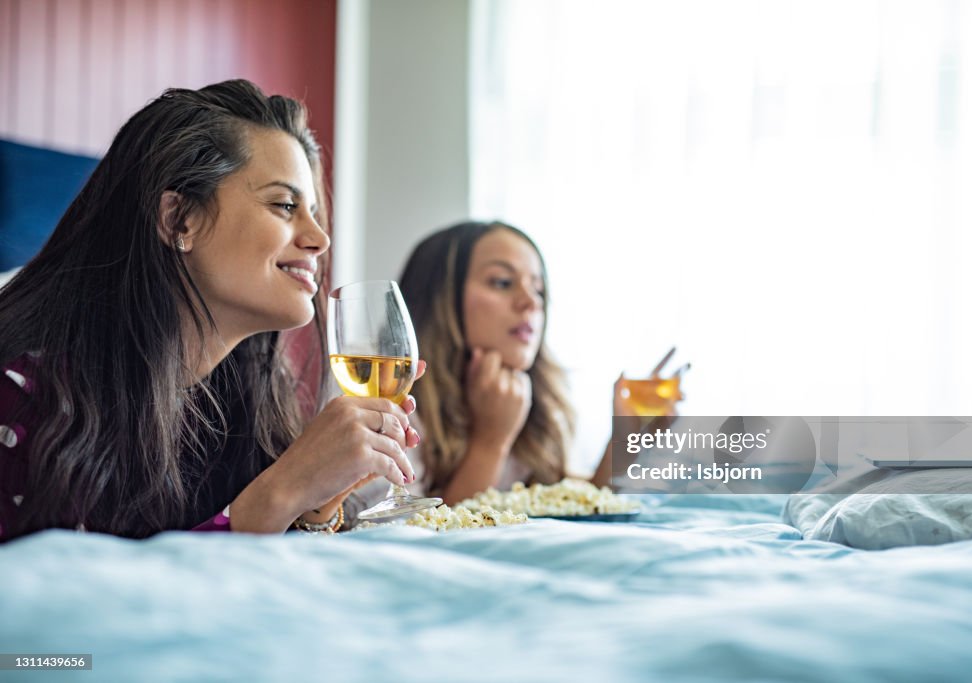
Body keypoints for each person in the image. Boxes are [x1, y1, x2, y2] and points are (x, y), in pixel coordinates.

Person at [0, 80, 420, 542]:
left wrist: (315, 504)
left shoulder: (243, 405)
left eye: (316, 213)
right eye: (284, 205)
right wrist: (277, 494)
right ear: (179, 220)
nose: (320, 239)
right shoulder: (22, 392)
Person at [369, 220, 680, 506]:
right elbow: (425, 531)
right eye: (503, 282)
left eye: (538, 289)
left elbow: (570, 503)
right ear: (439, 298)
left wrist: (626, 437)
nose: (531, 302)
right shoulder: (392, 402)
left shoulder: (535, 397)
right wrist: (491, 441)